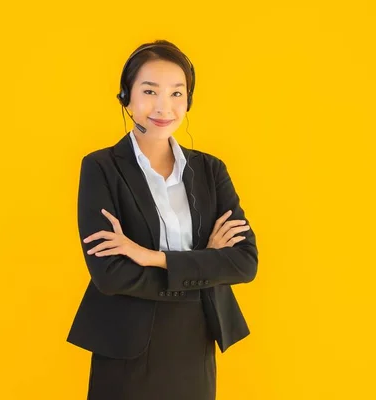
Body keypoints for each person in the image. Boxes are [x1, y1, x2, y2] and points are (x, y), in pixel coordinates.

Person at [66, 39, 259, 400]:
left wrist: (152, 257)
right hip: (125, 346)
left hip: (194, 341)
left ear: (188, 100)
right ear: (126, 96)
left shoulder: (210, 170)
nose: (163, 107)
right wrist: (204, 264)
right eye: (150, 91)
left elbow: (244, 262)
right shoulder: (101, 168)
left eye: (176, 93)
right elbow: (110, 274)